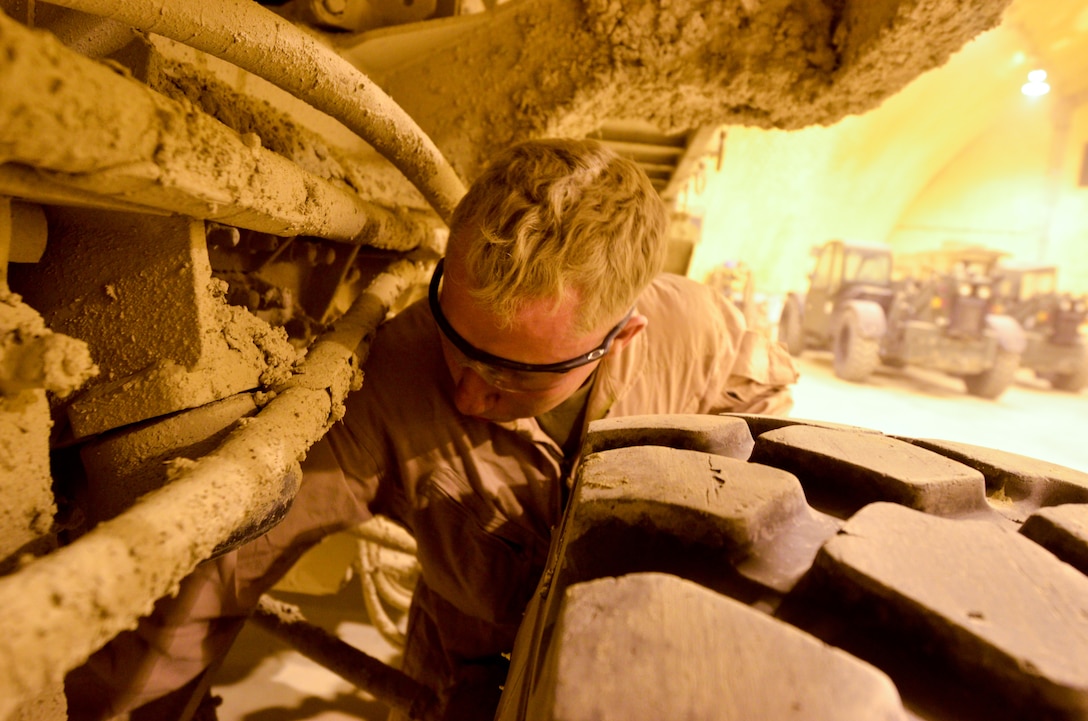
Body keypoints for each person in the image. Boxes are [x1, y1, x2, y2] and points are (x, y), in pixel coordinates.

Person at [66, 138, 798, 720]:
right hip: (464, 660)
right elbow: (232, 563)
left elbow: (772, 423)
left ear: (623, 333)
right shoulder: (395, 377)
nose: (470, 394)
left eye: (516, 376)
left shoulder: (700, 333)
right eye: (458, 340)